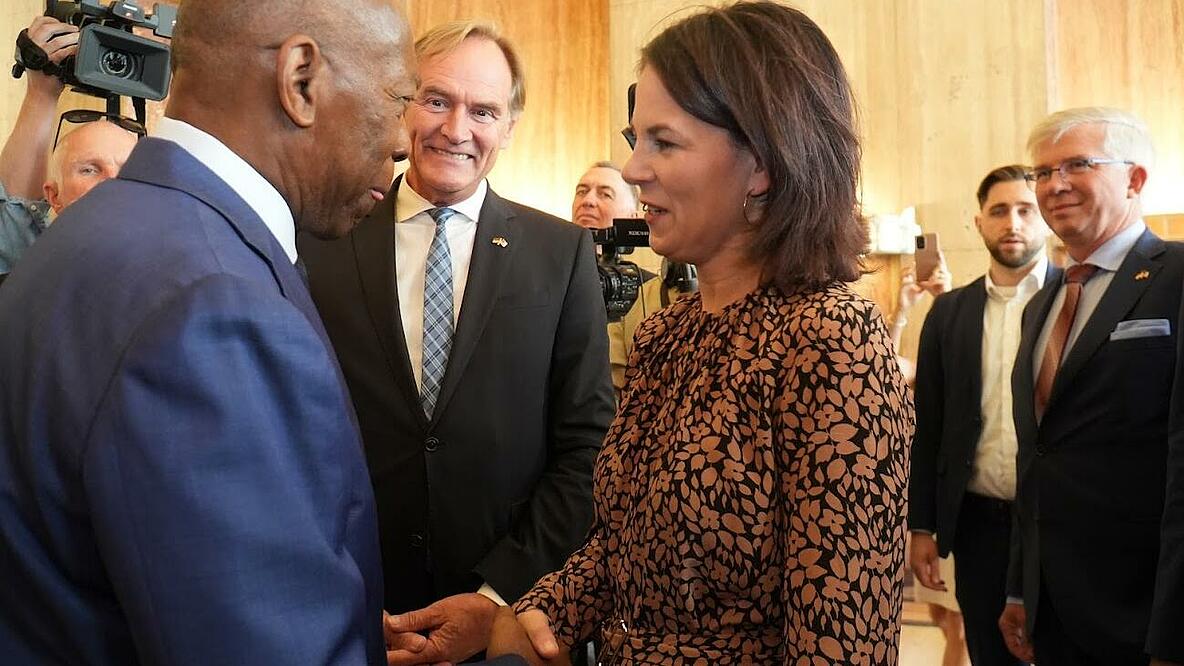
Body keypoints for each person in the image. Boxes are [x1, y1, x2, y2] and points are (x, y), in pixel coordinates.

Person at [488, 2, 914, 662]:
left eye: (664, 141)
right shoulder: (668, 334)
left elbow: (839, 641)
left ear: (764, 162)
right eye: (636, 141)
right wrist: (532, 611)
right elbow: (626, 545)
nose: (633, 170)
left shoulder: (830, 341)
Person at [0, 0, 417, 663]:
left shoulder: (106, 224)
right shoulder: (216, 305)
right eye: (400, 99)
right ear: (302, 78)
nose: (403, 140)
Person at [297, 20, 615, 665]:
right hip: (353, 613)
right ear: (401, 103)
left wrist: (498, 598)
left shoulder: (562, 254)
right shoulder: (319, 242)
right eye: (436, 100)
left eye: (484, 111)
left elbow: (588, 445)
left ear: (509, 126)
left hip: (509, 624)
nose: (456, 129)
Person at [999, 107, 1184, 666]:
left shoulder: (1176, 277)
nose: (1054, 185)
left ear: (1135, 179)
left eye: (1078, 164)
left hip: (1146, 611)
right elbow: (1039, 458)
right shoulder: (1042, 305)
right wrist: (1019, 587)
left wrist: (1173, 633)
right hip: (1054, 611)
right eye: (1042, 172)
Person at [910, 165, 1056, 666]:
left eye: (1025, 209)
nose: (1012, 222)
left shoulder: (1073, 299)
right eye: (999, 211)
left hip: (1059, 523)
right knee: (990, 655)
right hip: (979, 527)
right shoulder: (949, 312)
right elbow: (928, 426)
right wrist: (922, 527)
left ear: (1045, 218)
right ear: (978, 223)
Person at [0, 15, 139, 278]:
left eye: (127, 171)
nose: (111, 181)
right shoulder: (29, 282)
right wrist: (41, 92)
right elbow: (17, 216)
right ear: (54, 197)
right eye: (89, 170)